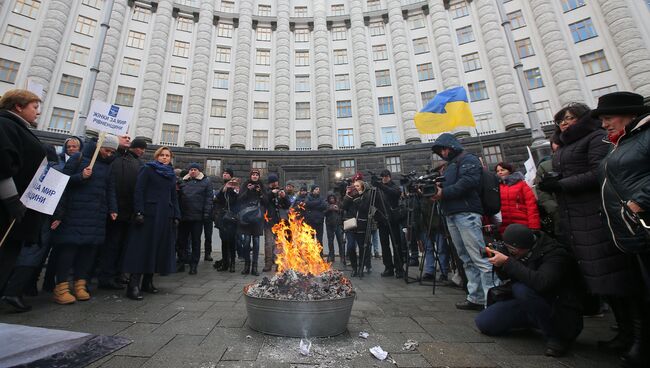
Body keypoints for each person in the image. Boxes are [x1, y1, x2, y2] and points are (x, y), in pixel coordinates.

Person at [538, 102, 636, 348]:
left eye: (569, 118)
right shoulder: (566, 145)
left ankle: (631, 335)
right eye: (560, 119)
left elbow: (598, 172)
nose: (564, 123)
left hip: (594, 217)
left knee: (614, 278)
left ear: (582, 119)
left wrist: (562, 184)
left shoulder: (595, 138)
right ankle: (623, 333)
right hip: (573, 219)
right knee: (596, 277)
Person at [593, 91, 650, 368]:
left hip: (643, 224)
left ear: (630, 115)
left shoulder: (645, 136)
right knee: (641, 290)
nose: (604, 124)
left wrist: (640, 202)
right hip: (630, 232)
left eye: (608, 118)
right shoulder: (619, 143)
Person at [475, 224, 584, 357]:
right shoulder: (520, 253)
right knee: (484, 322)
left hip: (559, 307)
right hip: (529, 303)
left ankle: (556, 337)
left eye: (512, 250)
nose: (510, 253)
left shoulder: (555, 254)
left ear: (525, 247)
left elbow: (542, 283)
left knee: (521, 289)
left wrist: (508, 262)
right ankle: (532, 322)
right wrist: (500, 264)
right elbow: (507, 277)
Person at [431, 133, 498, 311]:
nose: (443, 152)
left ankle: (493, 298)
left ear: (451, 145)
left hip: (467, 212)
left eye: (444, 148)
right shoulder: (450, 165)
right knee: (465, 258)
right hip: (452, 213)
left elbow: (468, 182)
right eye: (440, 150)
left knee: (479, 257)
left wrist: (443, 193)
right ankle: (475, 297)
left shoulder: (468, 159)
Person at [49, 135, 119, 304]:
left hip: (96, 215)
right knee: (69, 250)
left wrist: (113, 208)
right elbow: (62, 183)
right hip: (75, 212)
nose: (109, 154)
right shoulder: (78, 158)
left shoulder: (108, 166)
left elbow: (110, 189)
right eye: (107, 150)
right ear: (98, 147)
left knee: (88, 251)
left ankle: (80, 284)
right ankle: (61, 287)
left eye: (112, 152)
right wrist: (81, 176)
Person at [0, 89, 46, 307]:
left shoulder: (19, 128)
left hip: (18, 210)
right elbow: (3, 164)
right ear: (18, 106)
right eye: (34, 107)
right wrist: (11, 200)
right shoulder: (5, 125)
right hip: (7, 211)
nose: (37, 112)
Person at [122, 147, 180, 300]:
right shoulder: (147, 169)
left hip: (165, 215)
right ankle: (133, 285)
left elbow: (173, 196)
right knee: (142, 249)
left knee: (158, 248)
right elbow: (139, 191)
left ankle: (148, 282)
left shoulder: (170, 174)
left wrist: (176, 214)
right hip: (149, 214)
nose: (164, 158)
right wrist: (139, 211)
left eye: (167, 155)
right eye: (162, 155)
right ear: (156, 156)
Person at [98, 136, 146, 290]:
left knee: (123, 245)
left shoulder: (137, 162)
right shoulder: (114, 158)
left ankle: (118, 273)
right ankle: (106, 276)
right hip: (114, 210)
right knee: (112, 245)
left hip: (128, 211)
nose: (127, 138)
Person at [177, 163, 213, 275]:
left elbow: (208, 199)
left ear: (199, 171)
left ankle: (194, 265)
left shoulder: (206, 182)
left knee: (196, 242)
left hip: (197, 217)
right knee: (181, 241)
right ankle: (181, 263)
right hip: (184, 217)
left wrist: (206, 213)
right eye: (191, 169)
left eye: (195, 169)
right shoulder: (182, 181)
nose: (193, 171)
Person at [372, 169, 404, 278]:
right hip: (382, 221)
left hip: (393, 220)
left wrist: (381, 186)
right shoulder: (378, 189)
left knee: (397, 244)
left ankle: (399, 268)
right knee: (385, 245)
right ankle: (388, 267)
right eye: (382, 177)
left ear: (389, 176)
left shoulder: (393, 186)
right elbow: (372, 201)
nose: (384, 178)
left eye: (386, 176)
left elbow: (395, 193)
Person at [494, 162, 540, 235]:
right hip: (505, 227)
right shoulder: (497, 186)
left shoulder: (521, 184)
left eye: (502, 170)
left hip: (522, 224)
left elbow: (531, 205)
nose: (500, 172)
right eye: (498, 171)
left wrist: (533, 225)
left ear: (509, 170)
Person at [237, 169, 267, 276]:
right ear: (250, 176)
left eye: (257, 175)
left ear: (259, 176)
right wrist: (248, 190)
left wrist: (260, 192)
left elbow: (266, 201)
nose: (255, 176)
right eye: (253, 175)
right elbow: (239, 199)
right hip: (246, 218)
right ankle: (246, 266)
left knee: (256, 243)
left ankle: (254, 267)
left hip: (257, 219)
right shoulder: (246, 185)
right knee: (246, 243)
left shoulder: (261, 186)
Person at [341, 180, 372, 277]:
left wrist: (357, 198)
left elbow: (365, 209)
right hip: (351, 226)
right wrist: (348, 197)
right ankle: (354, 268)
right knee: (350, 247)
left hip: (361, 225)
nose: (355, 188)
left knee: (363, 248)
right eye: (354, 186)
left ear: (362, 187)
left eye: (357, 186)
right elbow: (343, 207)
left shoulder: (366, 196)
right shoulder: (350, 196)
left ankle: (361, 267)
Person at [214, 168, 239, 272]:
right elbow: (216, 199)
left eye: (227, 173)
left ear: (231, 176)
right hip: (222, 217)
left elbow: (237, 200)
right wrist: (224, 189)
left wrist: (233, 189)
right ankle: (225, 263)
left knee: (232, 241)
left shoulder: (235, 186)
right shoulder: (221, 187)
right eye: (224, 173)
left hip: (232, 218)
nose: (225, 175)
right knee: (224, 241)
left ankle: (232, 264)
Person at [263, 174, 290, 272]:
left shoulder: (280, 190)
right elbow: (264, 201)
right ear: (271, 183)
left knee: (280, 244)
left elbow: (288, 205)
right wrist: (271, 193)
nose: (276, 183)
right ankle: (268, 264)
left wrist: (284, 197)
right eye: (274, 182)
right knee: (268, 243)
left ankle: (279, 264)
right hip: (269, 221)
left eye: (276, 181)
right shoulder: (265, 191)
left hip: (280, 222)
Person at [325, 194, 345, 264]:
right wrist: (329, 209)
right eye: (330, 198)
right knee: (330, 241)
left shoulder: (339, 203)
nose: (332, 200)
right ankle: (331, 256)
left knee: (340, 241)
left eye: (333, 198)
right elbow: (323, 213)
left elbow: (343, 211)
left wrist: (338, 209)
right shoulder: (326, 204)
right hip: (329, 225)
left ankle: (342, 256)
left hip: (338, 225)